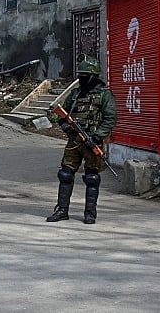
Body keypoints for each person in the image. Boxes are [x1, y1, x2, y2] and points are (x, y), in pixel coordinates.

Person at [46, 55, 117, 224]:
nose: (81, 78)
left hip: (92, 141)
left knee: (92, 177)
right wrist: (65, 126)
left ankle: (90, 213)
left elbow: (110, 118)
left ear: (93, 77)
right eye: (81, 74)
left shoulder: (104, 95)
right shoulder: (75, 94)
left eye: (85, 75)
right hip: (74, 142)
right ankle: (62, 210)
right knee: (65, 174)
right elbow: (62, 114)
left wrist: (97, 136)